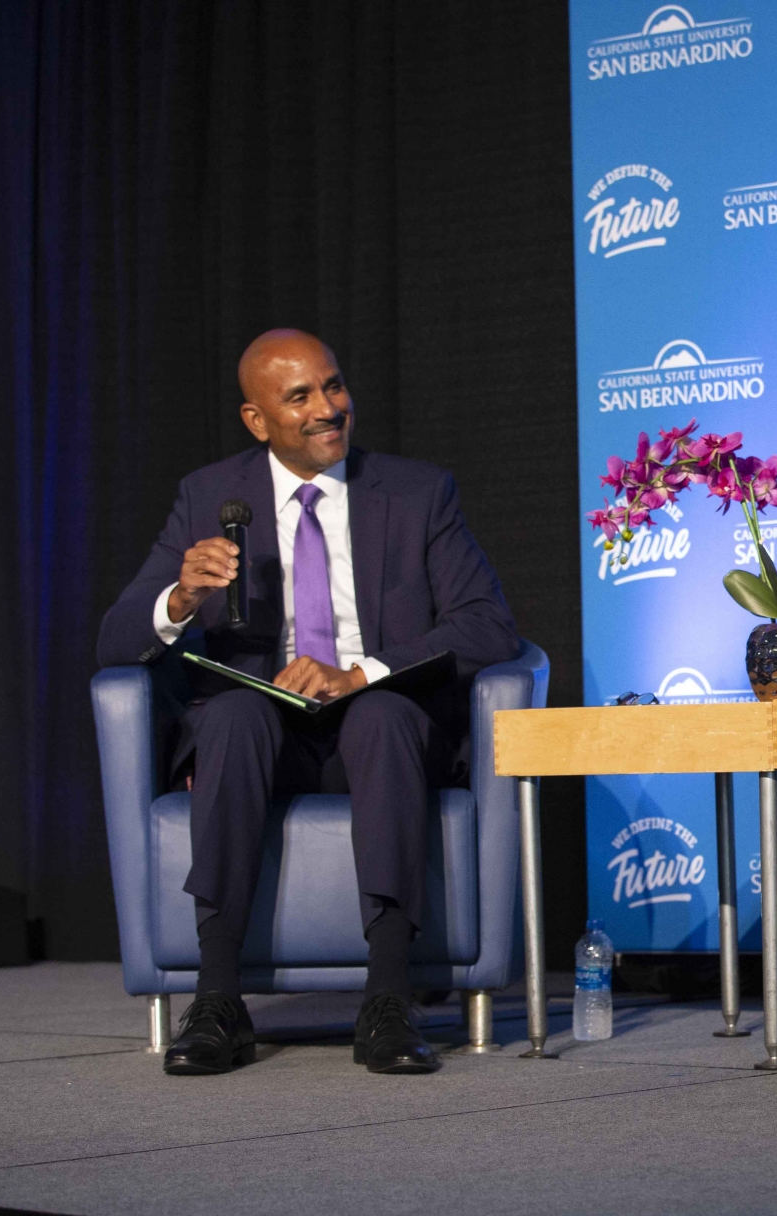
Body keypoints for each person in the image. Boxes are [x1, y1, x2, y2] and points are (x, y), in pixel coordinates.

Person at [97, 330, 519, 1076]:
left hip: (378, 728)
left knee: (386, 717)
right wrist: (183, 595)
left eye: (333, 386)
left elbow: (488, 623)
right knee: (227, 716)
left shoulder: (418, 492)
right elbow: (115, 639)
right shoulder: (207, 495)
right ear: (257, 421)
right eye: (301, 397)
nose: (329, 408)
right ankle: (219, 1000)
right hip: (263, 741)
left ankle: (388, 997)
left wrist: (360, 674)